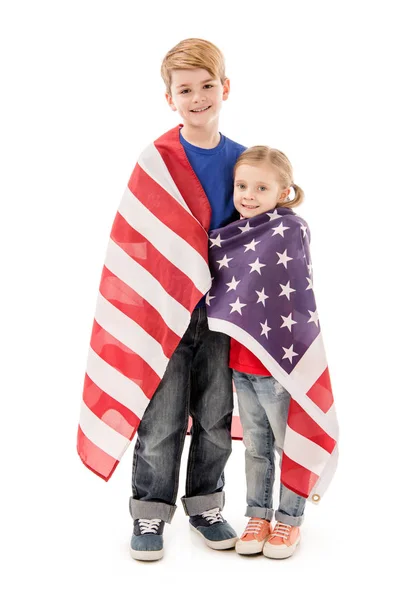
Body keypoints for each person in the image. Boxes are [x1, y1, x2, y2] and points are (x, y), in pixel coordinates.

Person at [77, 37, 247, 561]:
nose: (197, 98)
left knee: (216, 412)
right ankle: (149, 513)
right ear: (169, 98)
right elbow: (133, 238)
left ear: (225, 88)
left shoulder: (243, 159)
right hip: (162, 310)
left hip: (221, 309)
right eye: (184, 90)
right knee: (162, 414)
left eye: (205, 87)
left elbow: (255, 233)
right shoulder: (156, 160)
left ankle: (205, 504)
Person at [205, 146, 338, 559]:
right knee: (256, 446)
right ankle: (258, 515)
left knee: (288, 443)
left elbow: (293, 297)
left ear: (282, 192)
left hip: (278, 366)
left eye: (261, 187)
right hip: (240, 364)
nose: (248, 194)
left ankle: (289, 520)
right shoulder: (229, 236)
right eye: (242, 185)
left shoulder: (287, 229)